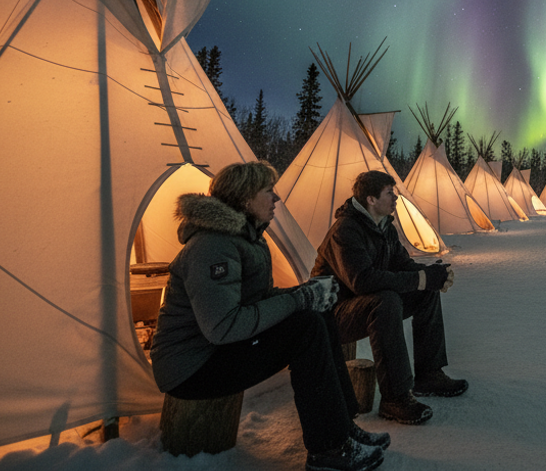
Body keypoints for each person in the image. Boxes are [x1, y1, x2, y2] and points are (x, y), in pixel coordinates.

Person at [150, 161, 390, 471]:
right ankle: (328, 450)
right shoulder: (212, 246)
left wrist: (305, 294)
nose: (276, 199)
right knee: (305, 328)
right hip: (191, 369)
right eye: (268, 191)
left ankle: (341, 428)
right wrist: (298, 300)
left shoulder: (247, 238)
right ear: (245, 199)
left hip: (215, 352)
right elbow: (224, 326)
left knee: (317, 312)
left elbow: (257, 301)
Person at [312, 170, 467, 425]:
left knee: (423, 293)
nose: (395, 197)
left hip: (360, 305)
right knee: (385, 301)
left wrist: (431, 275)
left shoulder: (385, 228)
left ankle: (429, 374)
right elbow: (363, 281)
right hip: (331, 314)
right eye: (389, 193)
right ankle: (394, 398)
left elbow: (402, 265)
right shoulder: (346, 230)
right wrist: (420, 279)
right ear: (371, 199)